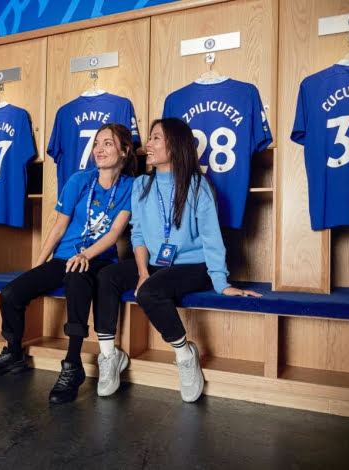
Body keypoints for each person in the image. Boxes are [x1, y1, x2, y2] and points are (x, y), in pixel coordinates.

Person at [93, 117, 261, 402]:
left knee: (150, 291)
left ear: (176, 144)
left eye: (156, 137)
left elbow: (211, 238)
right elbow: (140, 235)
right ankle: (109, 356)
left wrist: (222, 283)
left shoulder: (198, 185)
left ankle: (185, 355)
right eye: (150, 137)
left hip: (193, 266)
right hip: (156, 263)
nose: (149, 143)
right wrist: (143, 269)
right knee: (106, 276)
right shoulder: (141, 185)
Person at [0, 123, 137, 405]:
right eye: (97, 143)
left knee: (77, 280)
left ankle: (72, 366)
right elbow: (59, 228)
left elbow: (114, 233)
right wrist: (39, 265)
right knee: (11, 293)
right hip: (64, 257)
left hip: (98, 260)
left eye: (108, 143)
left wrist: (86, 255)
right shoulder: (78, 180)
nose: (99, 149)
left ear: (125, 151)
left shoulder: (131, 187)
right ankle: (13, 352)